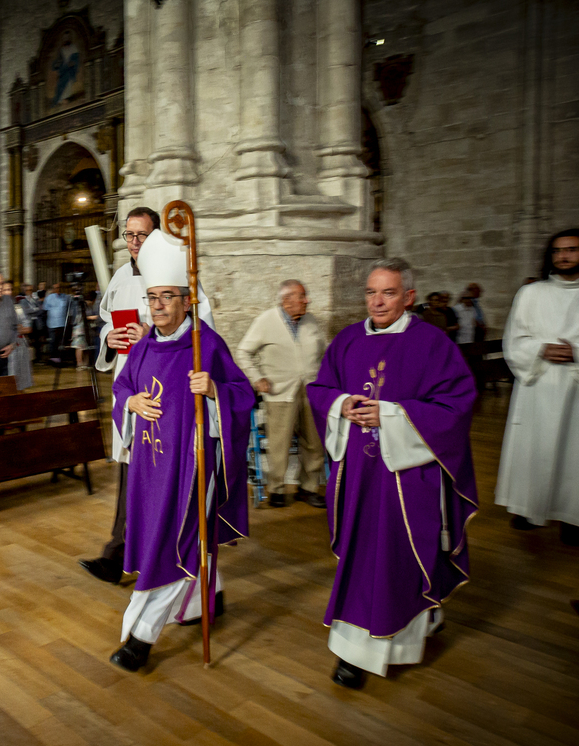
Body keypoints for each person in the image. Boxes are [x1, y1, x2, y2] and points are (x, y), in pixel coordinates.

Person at [307, 258, 476, 689]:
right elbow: (320, 389)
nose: (377, 301)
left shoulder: (433, 344)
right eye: (371, 292)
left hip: (407, 478)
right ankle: (361, 645)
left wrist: (391, 415)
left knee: (403, 556)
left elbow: (455, 406)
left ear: (408, 297)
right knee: (363, 557)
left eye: (387, 292)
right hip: (360, 475)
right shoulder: (346, 341)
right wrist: (340, 404)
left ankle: (383, 645)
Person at [108, 229, 253, 672]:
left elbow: (243, 395)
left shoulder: (204, 344)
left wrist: (213, 392)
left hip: (192, 468)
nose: (157, 306)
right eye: (152, 298)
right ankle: (209, 595)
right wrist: (129, 403)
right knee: (161, 541)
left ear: (186, 301)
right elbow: (122, 388)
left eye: (167, 297)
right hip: (151, 469)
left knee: (181, 543)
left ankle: (142, 639)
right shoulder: (145, 345)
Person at [80, 206, 214, 584]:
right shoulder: (121, 276)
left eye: (141, 235)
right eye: (129, 235)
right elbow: (108, 321)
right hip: (130, 387)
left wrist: (152, 337)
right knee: (130, 474)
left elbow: (202, 333)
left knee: (164, 478)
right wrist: (109, 337)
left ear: (156, 236)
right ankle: (119, 555)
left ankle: (177, 567)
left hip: (168, 392)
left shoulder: (179, 277)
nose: (133, 243)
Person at [495, 229, 579, 545]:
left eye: (571, 249)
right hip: (539, 386)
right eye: (558, 251)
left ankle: (574, 517)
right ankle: (531, 510)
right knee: (535, 449)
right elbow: (514, 340)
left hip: (575, 389)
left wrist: (576, 352)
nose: (564, 256)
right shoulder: (531, 294)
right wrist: (540, 349)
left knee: (575, 455)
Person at [235, 280, 327, 508]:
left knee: (314, 442)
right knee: (279, 444)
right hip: (279, 392)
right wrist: (257, 378)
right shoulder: (266, 320)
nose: (307, 301)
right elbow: (243, 352)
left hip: (311, 389)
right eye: (302, 296)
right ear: (286, 300)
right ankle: (276, 489)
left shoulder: (311, 320)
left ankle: (308, 488)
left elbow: (322, 352)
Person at [42, 283, 70, 359]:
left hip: (62, 323)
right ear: (53, 289)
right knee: (53, 342)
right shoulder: (49, 298)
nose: (58, 289)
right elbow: (45, 310)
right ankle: (53, 358)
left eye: (59, 287)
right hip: (52, 324)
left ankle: (61, 358)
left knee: (62, 342)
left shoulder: (66, 297)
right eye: (56, 288)